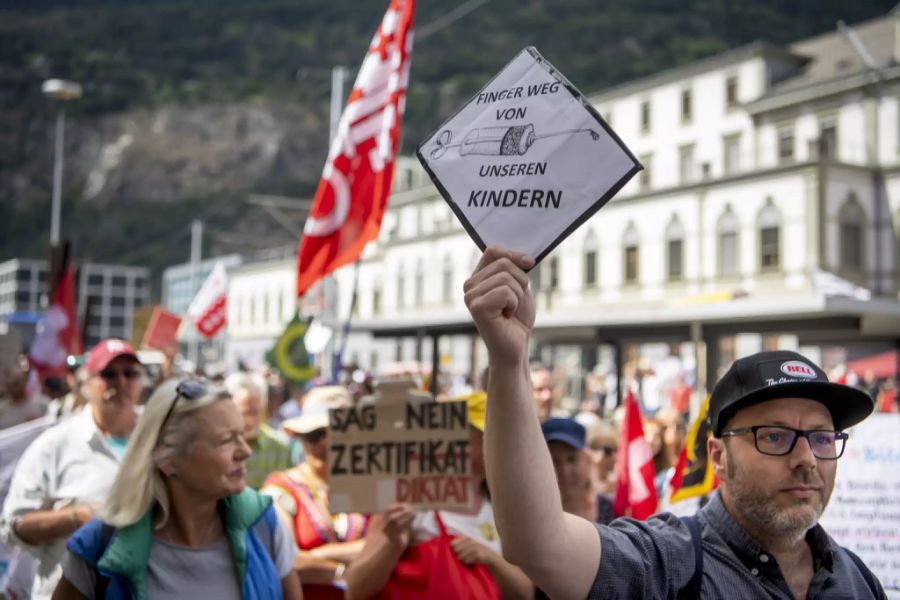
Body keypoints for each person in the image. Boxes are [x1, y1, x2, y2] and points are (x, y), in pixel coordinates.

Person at [463, 246, 886, 599]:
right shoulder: (669, 564)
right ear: (718, 457)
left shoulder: (857, 580)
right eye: (774, 436)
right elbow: (538, 542)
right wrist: (509, 359)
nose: (805, 458)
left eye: (822, 437)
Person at [52, 377, 302, 599]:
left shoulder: (264, 524)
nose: (245, 451)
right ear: (167, 458)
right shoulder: (100, 545)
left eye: (242, 435)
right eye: (226, 440)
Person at [344, 391, 533, 600]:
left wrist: (491, 559)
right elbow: (355, 588)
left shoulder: (500, 509)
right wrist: (393, 545)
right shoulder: (407, 498)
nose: (505, 446)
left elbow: (525, 594)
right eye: (492, 435)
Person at [2, 339, 143, 600]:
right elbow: (13, 526)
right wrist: (77, 517)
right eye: (109, 374)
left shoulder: (159, 438)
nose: (121, 382)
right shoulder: (54, 445)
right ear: (87, 384)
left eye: (130, 373)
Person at [262, 385, 368, 599]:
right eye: (314, 435)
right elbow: (289, 561)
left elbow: (386, 543)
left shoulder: (370, 485)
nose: (324, 443)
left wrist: (319, 555)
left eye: (335, 433)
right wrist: (348, 572)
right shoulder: (281, 488)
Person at [225, 372, 293, 489]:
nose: (251, 421)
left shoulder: (280, 447)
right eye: (245, 413)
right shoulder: (218, 447)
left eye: (255, 412)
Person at [0, 355, 50, 429]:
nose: (14, 388)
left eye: (16, 384)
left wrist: (39, 421)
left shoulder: (42, 404)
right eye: (11, 384)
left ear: (24, 380)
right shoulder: (2, 412)